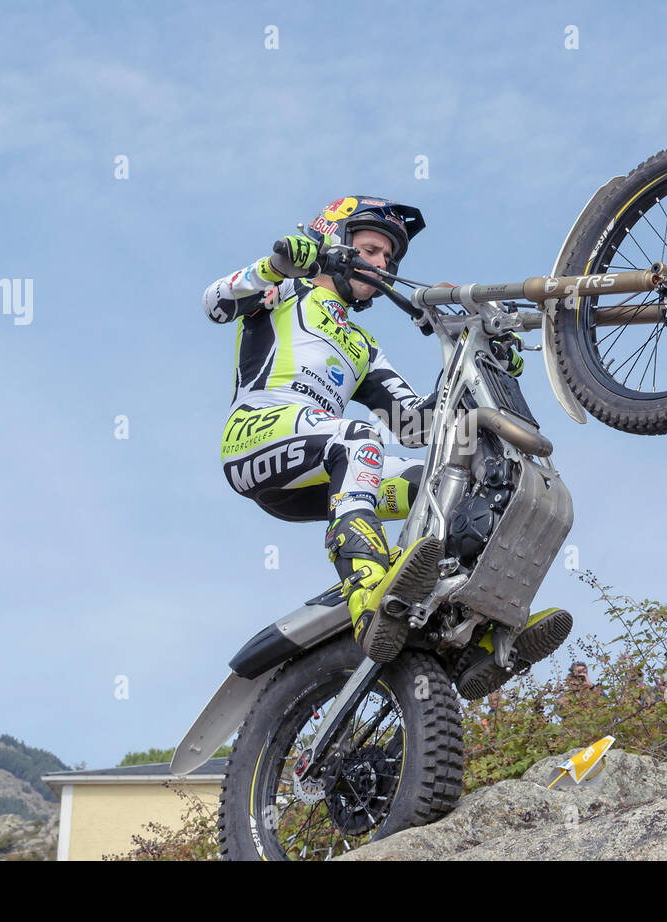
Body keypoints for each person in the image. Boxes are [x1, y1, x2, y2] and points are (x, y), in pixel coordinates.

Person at [202, 196, 571, 679]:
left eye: (388, 259)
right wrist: (274, 265)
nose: (381, 265)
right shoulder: (284, 294)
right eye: (372, 250)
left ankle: (474, 627)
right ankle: (367, 593)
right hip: (256, 436)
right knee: (359, 439)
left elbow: (416, 428)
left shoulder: (363, 346)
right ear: (334, 239)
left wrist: (475, 359)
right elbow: (216, 303)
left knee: (443, 486)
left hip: (318, 470)